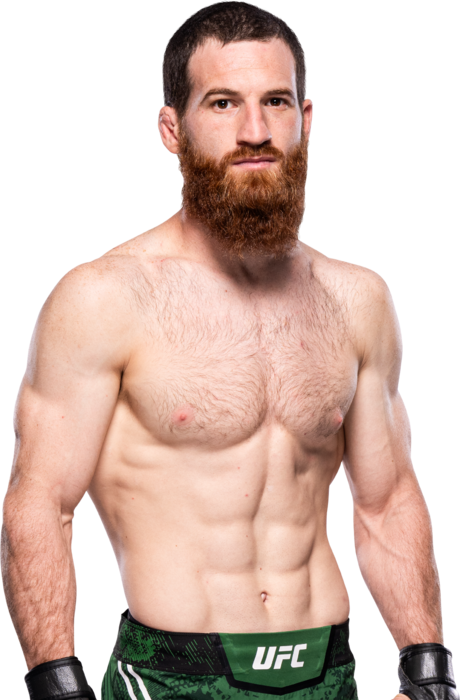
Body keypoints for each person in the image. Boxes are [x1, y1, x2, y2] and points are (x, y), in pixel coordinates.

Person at [1, 2, 457, 699]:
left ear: (306, 119)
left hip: (330, 672)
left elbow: (387, 498)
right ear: (172, 129)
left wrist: (428, 670)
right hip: (172, 677)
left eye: (276, 101)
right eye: (222, 103)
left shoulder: (357, 298)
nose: (255, 131)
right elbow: (39, 504)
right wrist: (58, 685)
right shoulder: (103, 298)